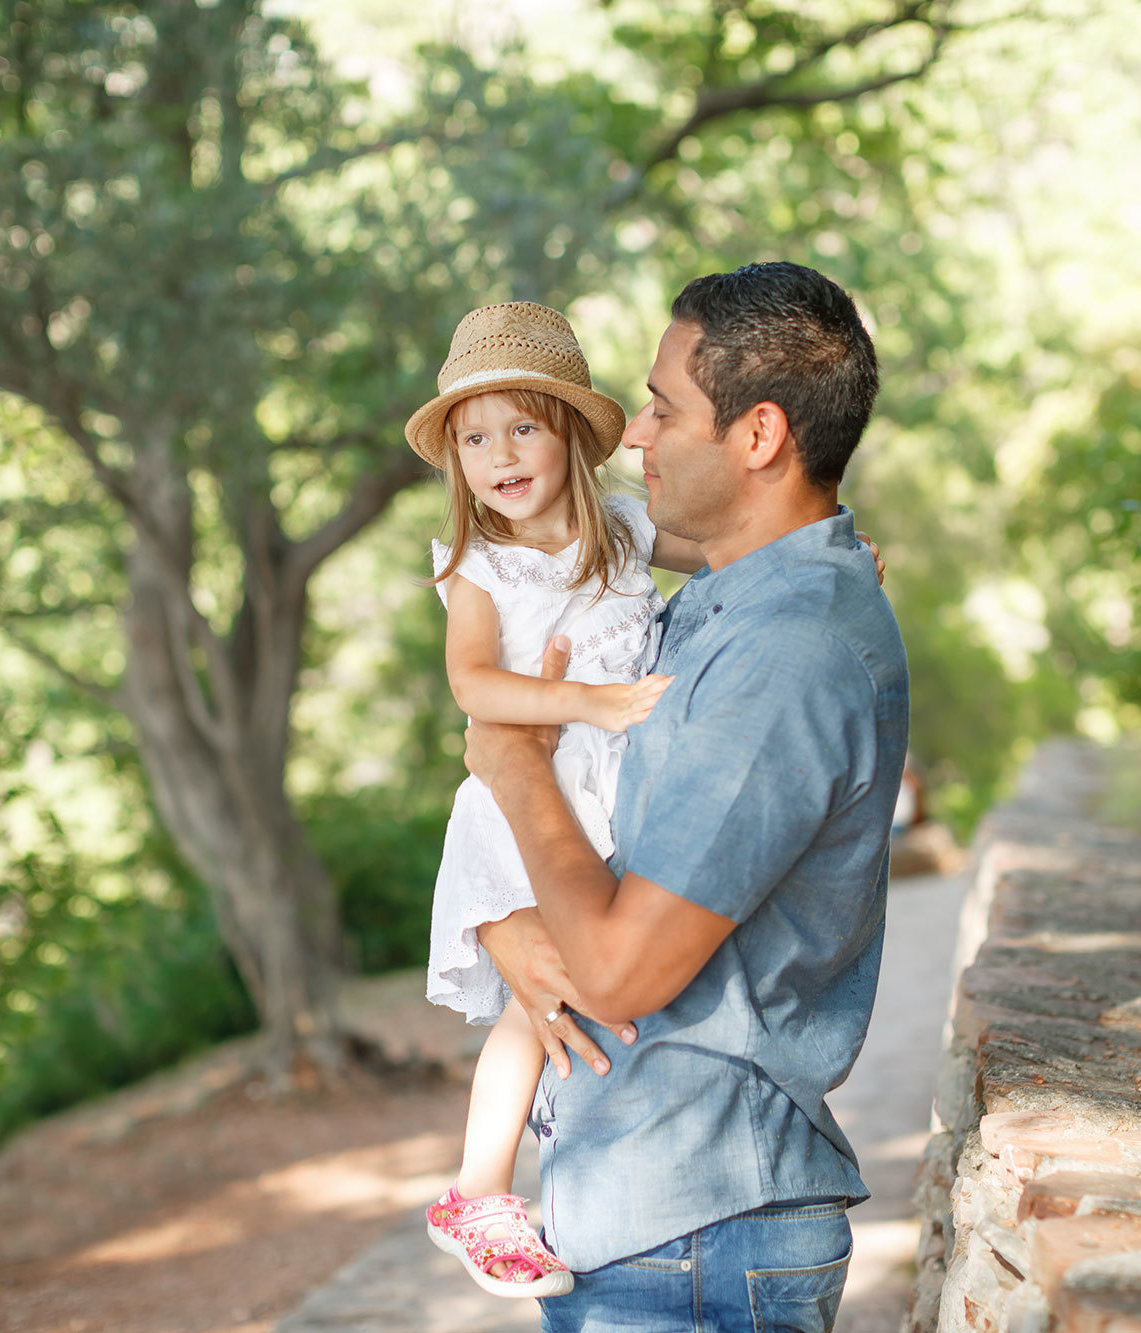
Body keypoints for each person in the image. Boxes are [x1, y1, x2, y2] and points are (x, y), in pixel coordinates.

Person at [461, 262, 909, 1332]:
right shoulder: (715, 604)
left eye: (663, 406)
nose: (633, 435)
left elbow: (617, 971)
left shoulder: (786, 650)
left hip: (698, 1234)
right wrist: (503, 923)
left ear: (757, 437)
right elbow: (601, 822)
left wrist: (513, 763)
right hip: (648, 1220)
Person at [407, 301, 698, 1299]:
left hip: (615, 800)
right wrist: (587, 699)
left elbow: (726, 551)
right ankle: (478, 1189)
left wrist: (822, 550)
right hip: (526, 802)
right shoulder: (476, 564)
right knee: (537, 997)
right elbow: (474, 687)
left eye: (521, 426)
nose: (499, 454)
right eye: (474, 437)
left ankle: (586, 1170)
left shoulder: (623, 528)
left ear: (569, 431)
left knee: (604, 977)